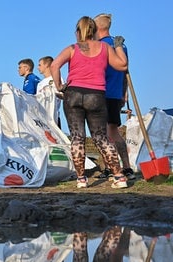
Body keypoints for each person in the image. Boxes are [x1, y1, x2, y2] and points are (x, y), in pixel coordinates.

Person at [50, 16, 129, 189]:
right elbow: (123, 65)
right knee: (101, 137)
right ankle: (119, 176)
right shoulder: (105, 47)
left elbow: (54, 65)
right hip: (96, 95)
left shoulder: (72, 48)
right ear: (94, 31)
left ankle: (81, 179)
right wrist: (118, 46)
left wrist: (60, 86)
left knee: (77, 137)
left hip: (73, 94)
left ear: (78, 32)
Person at [94, 13, 136, 181]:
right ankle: (126, 167)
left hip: (101, 92)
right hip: (116, 93)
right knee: (113, 131)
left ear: (97, 28)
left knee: (101, 133)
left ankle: (111, 167)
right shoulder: (121, 46)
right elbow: (125, 70)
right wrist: (123, 92)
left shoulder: (99, 46)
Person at [36, 55, 63, 128]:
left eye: (40, 65)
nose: (38, 68)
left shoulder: (57, 79)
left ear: (47, 65)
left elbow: (63, 95)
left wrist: (52, 94)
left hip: (53, 117)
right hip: (42, 119)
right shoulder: (40, 84)